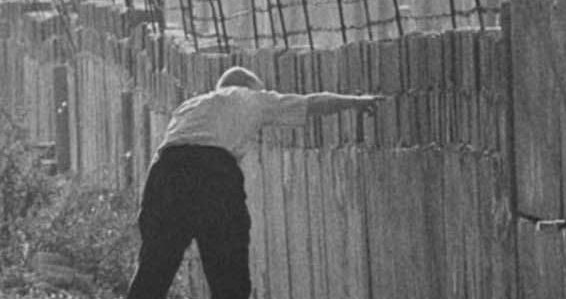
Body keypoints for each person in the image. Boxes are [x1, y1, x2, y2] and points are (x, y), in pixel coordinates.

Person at [125, 66, 381, 299]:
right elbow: (313, 103)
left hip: (165, 174)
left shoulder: (189, 105)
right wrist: (355, 102)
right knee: (229, 279)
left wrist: (151, 211)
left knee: (153, 272)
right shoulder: (252, 98)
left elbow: (165, 154)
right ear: (250, 84)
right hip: (213, 174)